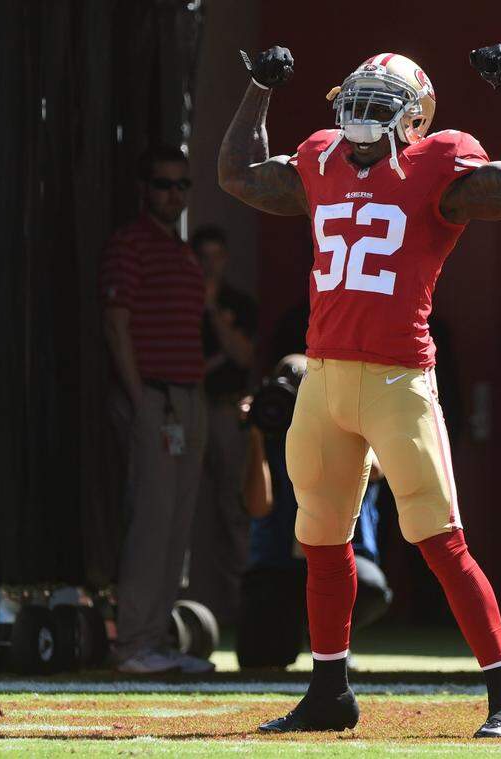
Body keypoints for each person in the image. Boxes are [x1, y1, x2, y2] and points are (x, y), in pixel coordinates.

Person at [219, 45, 501, 737]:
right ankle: (329, 690)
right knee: (317, 537)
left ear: (416, 118)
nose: (365, 110)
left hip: (400, 380)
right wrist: (258, 89)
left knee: (439, 537)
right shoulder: (319, 158)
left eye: (383, 99)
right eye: (360, 95)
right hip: (324, 376)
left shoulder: (440, 164)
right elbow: (236, 174)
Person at [99, 145, 212, 675]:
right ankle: (133, 645)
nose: (174, 194)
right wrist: (139, 396)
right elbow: (115, 322)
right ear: (145, 189)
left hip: (188, 398)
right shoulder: (131, 244)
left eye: (182, 185)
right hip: (155, 397)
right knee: (151, 521)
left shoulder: (184, 251)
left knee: (176, 524)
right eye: (164, 184)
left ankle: (155, 639)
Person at [236, 355, 393, 669]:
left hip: (342, 560)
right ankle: (293, 633)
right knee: (259, 658)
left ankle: (331, 638)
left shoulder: (346, 421)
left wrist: (332, 420)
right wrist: (256, 434)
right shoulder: (270, 434)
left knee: (369, 586)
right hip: (280, 565)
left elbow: (375, 470)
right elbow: (257, 505)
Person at [190, 224, 258, 625]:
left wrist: (213, 310)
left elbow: (244, 356)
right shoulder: (175, 299)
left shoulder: (238, 303)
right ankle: (192, 607)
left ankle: (237, 610)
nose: (209, 266)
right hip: (187, 408)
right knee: (186, 507)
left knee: (234, 509)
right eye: (202, 257)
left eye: (216, 257)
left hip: (227, 412)